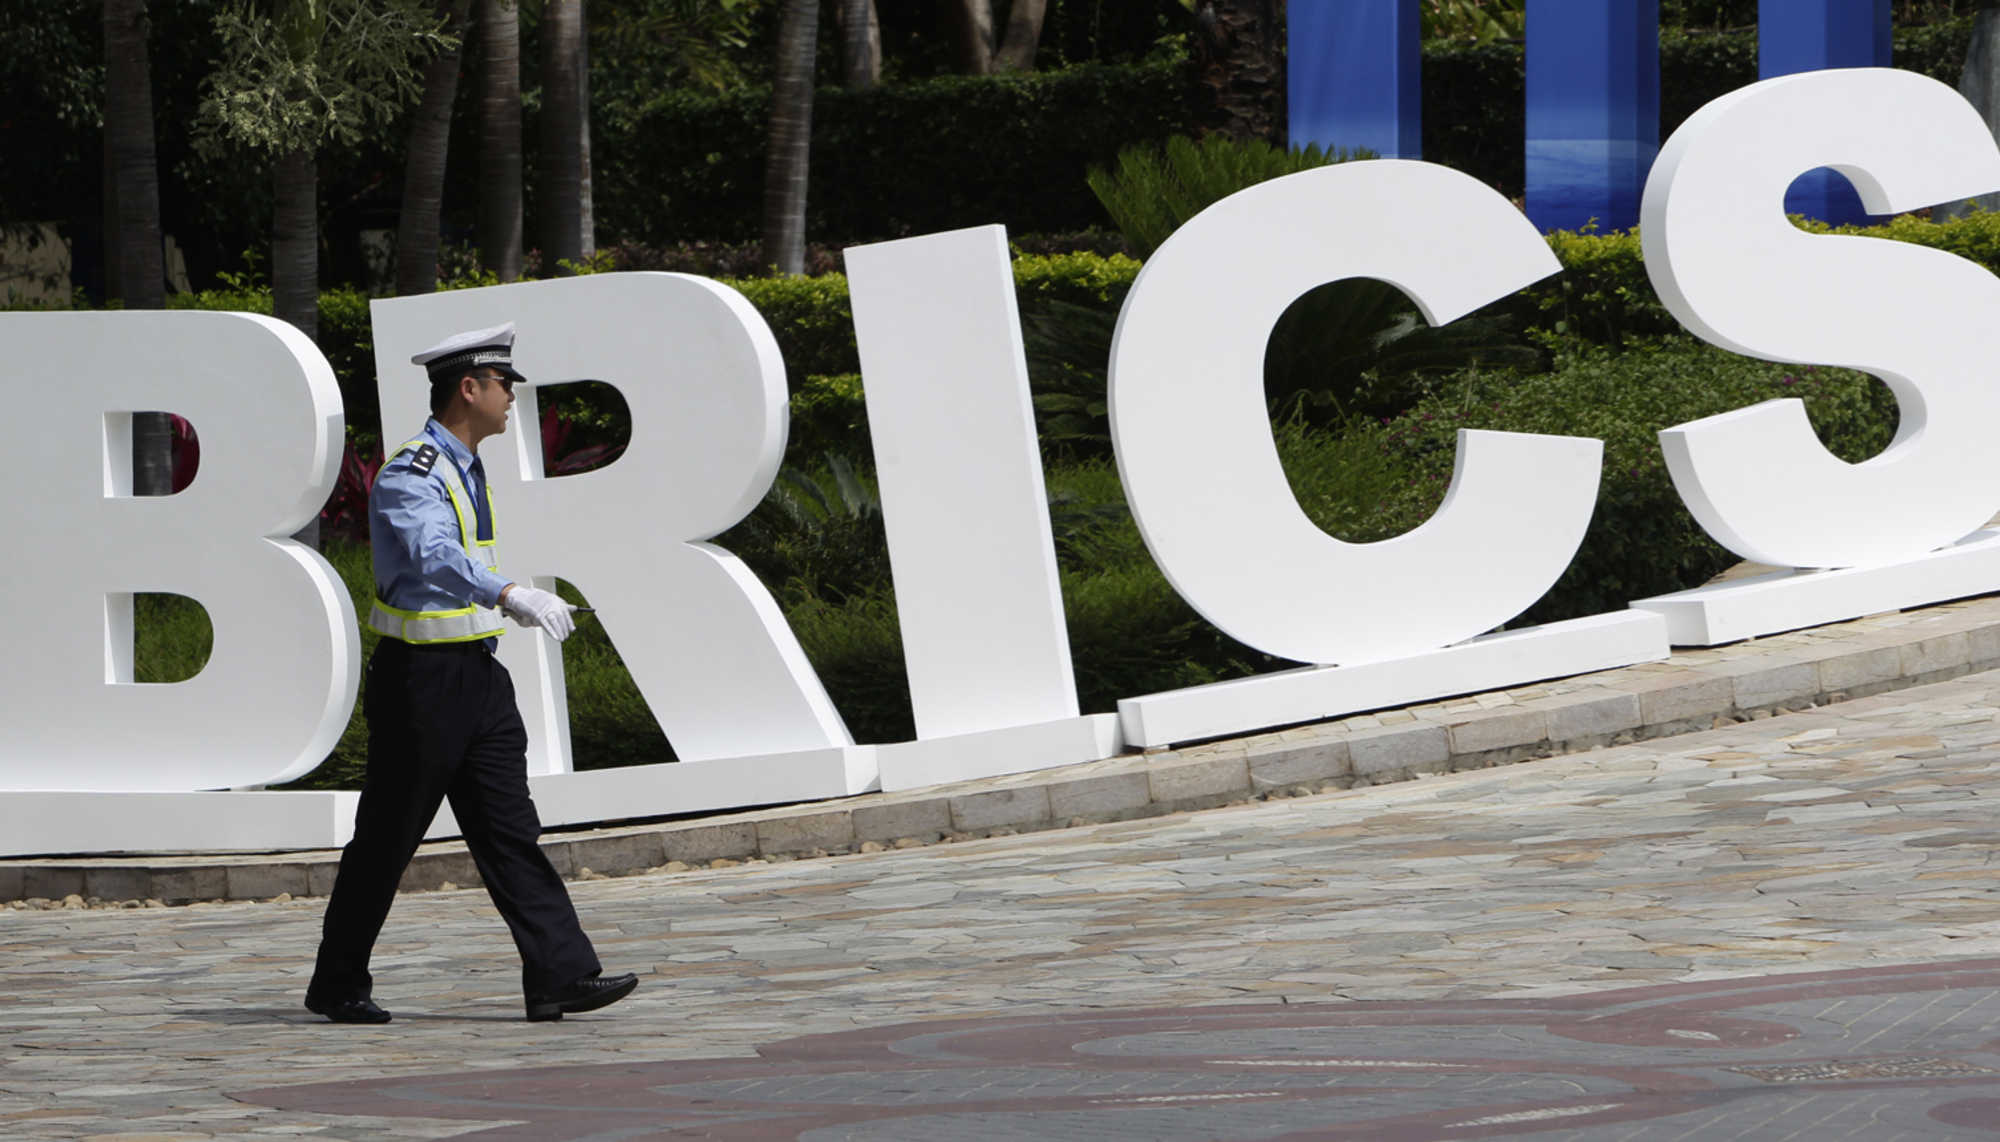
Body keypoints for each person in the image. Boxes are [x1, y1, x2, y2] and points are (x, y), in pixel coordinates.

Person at [305, 322, 638, 1025]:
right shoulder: (412, 473)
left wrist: (500, 608)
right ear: (469, 388)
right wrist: (511, 593)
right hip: (421, 686)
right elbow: (430, 554)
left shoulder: (464, 465)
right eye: (503, 384)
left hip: (478, 682)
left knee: (511, 830)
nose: (512, 397)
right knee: (387, 841)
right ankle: (337, 983)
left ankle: (560, 977)